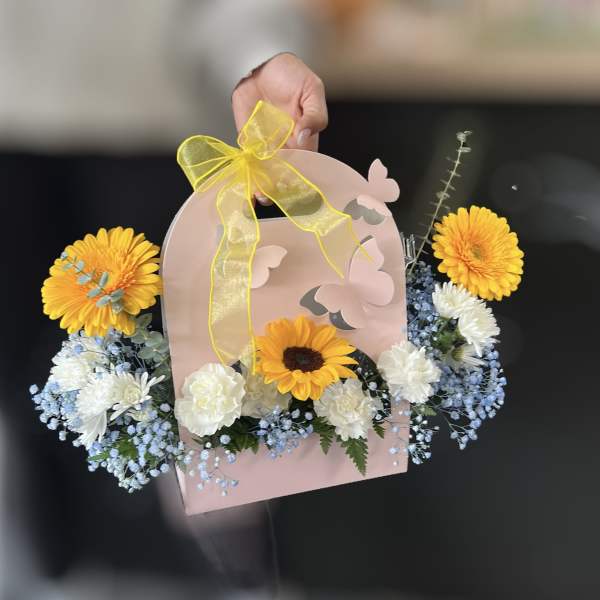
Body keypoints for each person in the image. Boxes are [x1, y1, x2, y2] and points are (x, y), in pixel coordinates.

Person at [0, 2, 328, 598]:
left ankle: (246, 583)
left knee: (211, 394)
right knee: (20, 414)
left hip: (158, 131)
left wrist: (259, 57)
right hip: (20, 140)